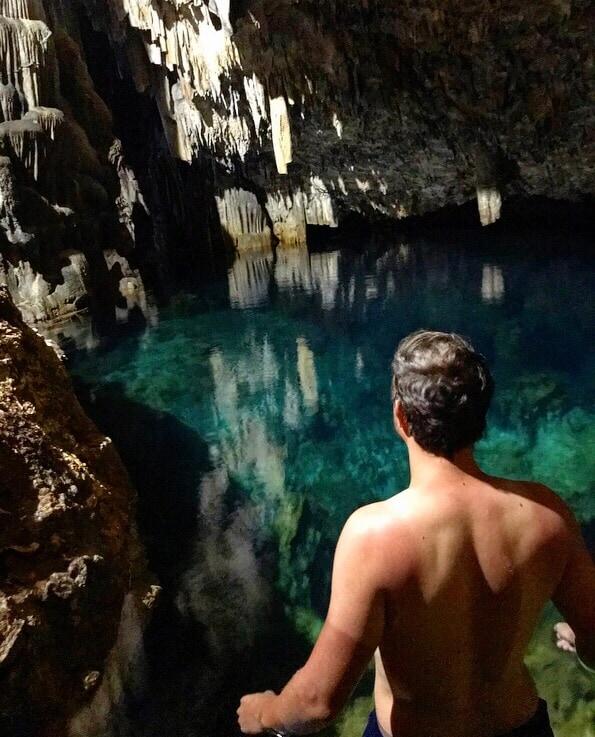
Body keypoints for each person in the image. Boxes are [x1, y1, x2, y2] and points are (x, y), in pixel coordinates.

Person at [237, 330, 595, 737]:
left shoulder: (374, 536)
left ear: (401, 418)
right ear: (480, 416)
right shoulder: (546, 515)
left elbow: (318, 704)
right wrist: (581, 645)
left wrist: (266, 713)